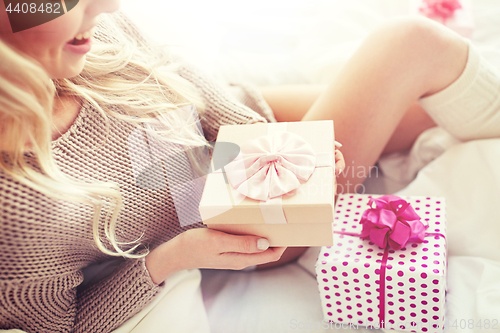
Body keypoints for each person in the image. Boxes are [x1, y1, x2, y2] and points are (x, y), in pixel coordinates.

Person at [1, 0, 499, 332]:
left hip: (247, 129)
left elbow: (181, 82)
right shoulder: (16, 201)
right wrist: (174, 256)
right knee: (410, 45)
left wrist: (262, 135)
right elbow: (61, 321)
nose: (106, 5)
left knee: (425, 102)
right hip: (255, 212)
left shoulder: (90, 30)